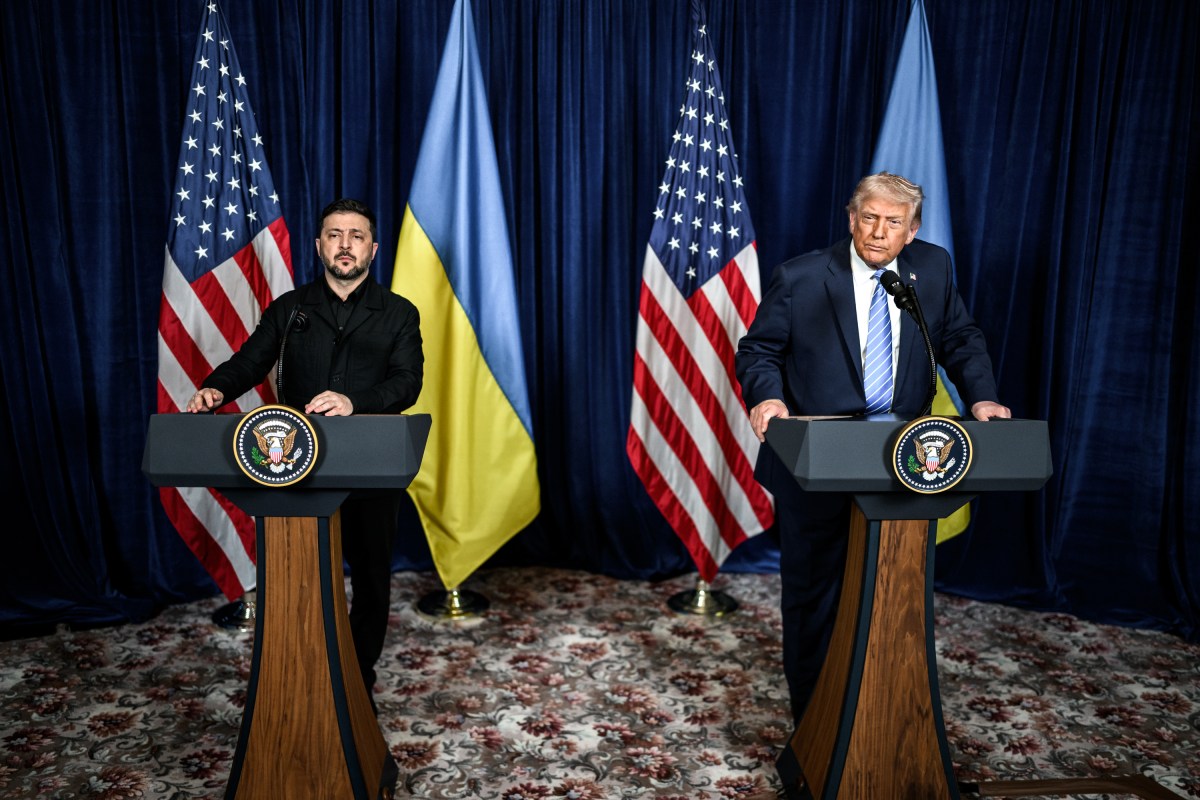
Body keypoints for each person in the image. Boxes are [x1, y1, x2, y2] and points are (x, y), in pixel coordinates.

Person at [735, 172, 1010, 723]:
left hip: (906, 460)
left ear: (912, 231)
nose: (878, 233)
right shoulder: (803, 276)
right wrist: (768, 400)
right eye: (869, 218)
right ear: (851, 217)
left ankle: (881, 716)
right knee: (815, 599)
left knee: (892, 594)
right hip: (818, 458)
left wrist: (982, 399)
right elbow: (760, 350)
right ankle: (814, 722)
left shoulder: (931, 269)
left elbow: (958, 337)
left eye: (892, 223)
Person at [186, 197, 423, 701]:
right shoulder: (290, 308)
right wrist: (215, 389)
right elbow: (249, 362)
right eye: (334, 234)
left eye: (356, 236)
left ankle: (358, 680)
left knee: (373, 576)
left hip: (369, 466)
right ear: (319, 245)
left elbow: (407, 384)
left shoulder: (399, 314)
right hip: (297, 466)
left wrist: (353, 401)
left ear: (373, 249)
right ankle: (302, 674)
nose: (345, 244)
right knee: (303, 577)